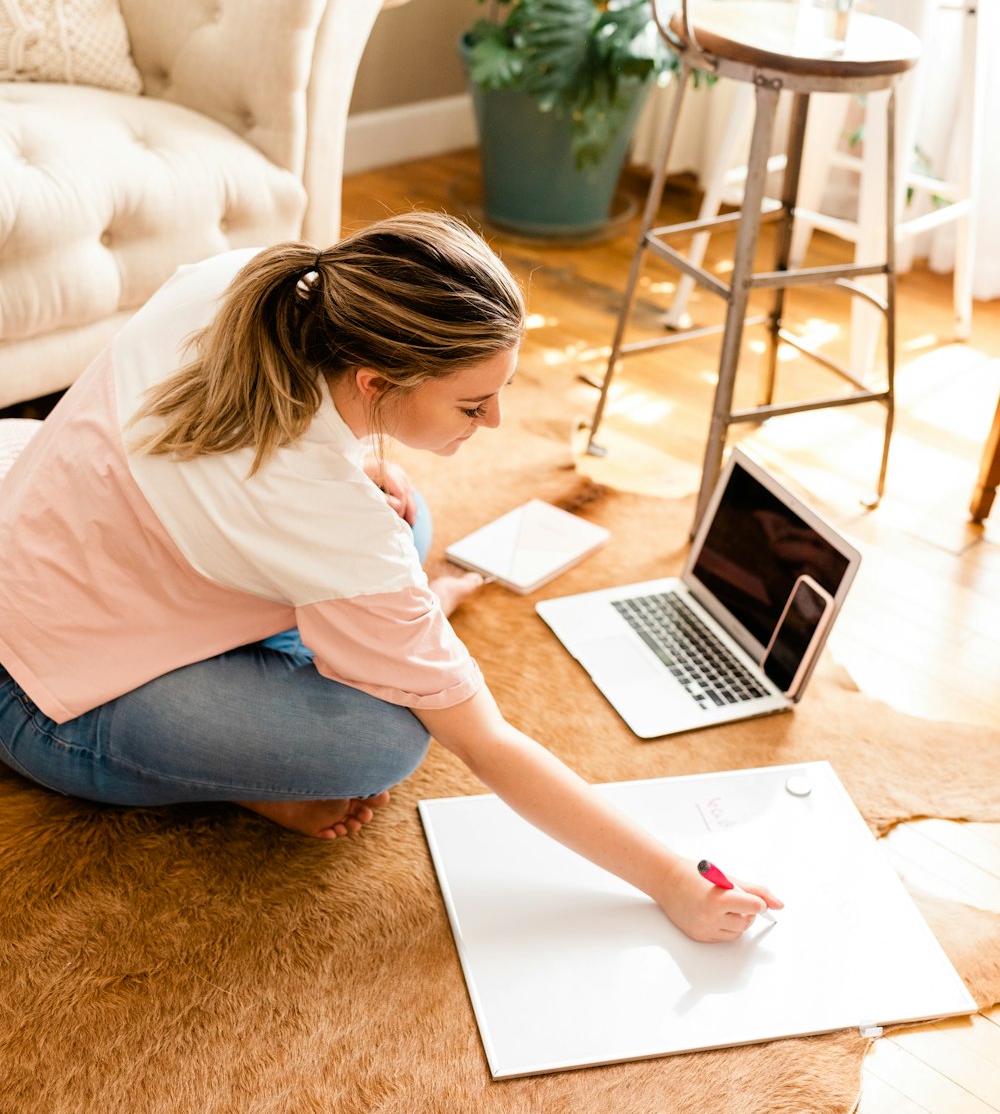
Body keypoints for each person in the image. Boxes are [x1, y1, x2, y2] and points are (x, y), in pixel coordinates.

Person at [0, 213, 781, 942]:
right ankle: (274, 748)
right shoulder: (330, 521)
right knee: (382, 736)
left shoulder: (244, 284)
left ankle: (387, 639)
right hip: (41, 700)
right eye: (474, 406)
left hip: (63, 555)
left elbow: (300, 492)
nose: (498, 423)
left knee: (409, 525)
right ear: (374, 381)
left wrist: (379, 545)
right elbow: (489, 746)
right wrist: (676, 880)